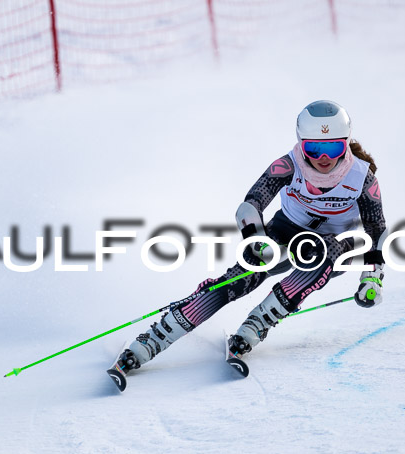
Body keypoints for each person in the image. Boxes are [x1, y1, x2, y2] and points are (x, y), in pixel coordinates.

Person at [111, 100, 387, 378]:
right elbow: (250, 206)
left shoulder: (362, 177)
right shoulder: (289, 165)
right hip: (288, 232)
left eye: (333, 148)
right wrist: (256, 241)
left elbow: (376, 230)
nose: (323, 157)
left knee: (330, 248)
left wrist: (372, 277)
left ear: (345, 144)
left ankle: (257, 324)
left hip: (338, 246)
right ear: (301, 143)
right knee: (241, 278)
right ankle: (152, 340)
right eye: (313, 148)